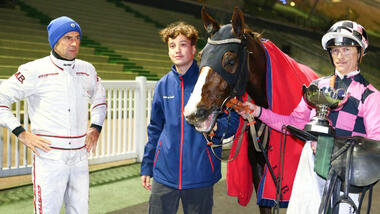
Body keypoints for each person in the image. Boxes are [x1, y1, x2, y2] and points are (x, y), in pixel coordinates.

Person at [236, 20, 380, 213]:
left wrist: (333, 147)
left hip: (345, 179)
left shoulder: (370, 96)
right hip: (310, 168)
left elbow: (375, 146)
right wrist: (257, 111)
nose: (340, 56)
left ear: (360, 52)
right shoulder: (317, 87)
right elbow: (293, 122)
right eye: (335, 50)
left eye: (346, 49)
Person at [0, 16, 106, 213]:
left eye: (77, 37)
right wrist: (21, 133)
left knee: (80, 211)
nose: (74, 43)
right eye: (67, 37)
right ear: (54, 40)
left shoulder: (87, 69)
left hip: (80, 155)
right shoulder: (33, 70)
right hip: (49, 155)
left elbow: (100, 100)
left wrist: (96, 127)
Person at [140, 22, 239, 214]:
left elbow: (233, 120)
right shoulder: (163, 85)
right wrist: (147, 166)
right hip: (164, 174)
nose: (177, 50)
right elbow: (155, 128)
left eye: (183, 44)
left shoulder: (212, 81)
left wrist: (218, 127)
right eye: (172, 45)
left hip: (200, 174)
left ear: (194, 49)